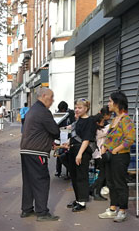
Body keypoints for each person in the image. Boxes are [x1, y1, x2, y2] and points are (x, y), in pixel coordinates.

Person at [19, 88, 61, 221]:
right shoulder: (43, 112)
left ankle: (27, 209)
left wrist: (49, 141)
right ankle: (42, 212)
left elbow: (38, 131)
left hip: (26, 150)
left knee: (29, 181)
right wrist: (52, 138)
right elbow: (55, 131)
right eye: (51, 97)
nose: (52, 100)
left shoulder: (32, 110)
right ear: (44, 96)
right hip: (36, 151)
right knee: (41, 180)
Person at [98, 91, 135, 223]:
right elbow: (109, 137)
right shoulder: (115, 119)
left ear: (117, 103)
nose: (108, 104)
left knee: (120, 183)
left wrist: (115, 150)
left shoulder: (126, 120)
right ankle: (112, 208)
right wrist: (104, 147)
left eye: (110, 101)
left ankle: (123, 210)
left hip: (120, 156)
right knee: (111, 183)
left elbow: (130, 139)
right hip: (110, 156)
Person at [64, 99, 97, 212]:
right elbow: (75, 135)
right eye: (76, 107)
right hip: (73, 149)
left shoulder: (90, 121)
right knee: (74, 175)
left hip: (82, 151)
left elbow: (86, 139)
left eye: (80, 108)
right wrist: (68, 142)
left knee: (81, 176)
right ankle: (78, 199)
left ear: (86, 108)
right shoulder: (77, 120)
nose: (77, 110)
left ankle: (82, 202)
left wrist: (79, 154)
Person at [91, 106, 111, 201]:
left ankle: (91, 189)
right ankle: (96, 192)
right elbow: (107, 130)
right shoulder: (98, 131)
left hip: (98, 154)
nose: (104, 123)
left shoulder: (99, 129)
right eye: (102, 122)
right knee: (102, 175)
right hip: (99, 154)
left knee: (103, 174)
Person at [55, 101, 75, 178]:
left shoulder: (71, 114)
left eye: (62, 110)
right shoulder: (58, 114)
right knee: (58, 153)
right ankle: (58, 171)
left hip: (68, 135)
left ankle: (69, 172)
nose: (61, 111)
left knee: (67, 154)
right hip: (60, 135)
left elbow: (73, 123)